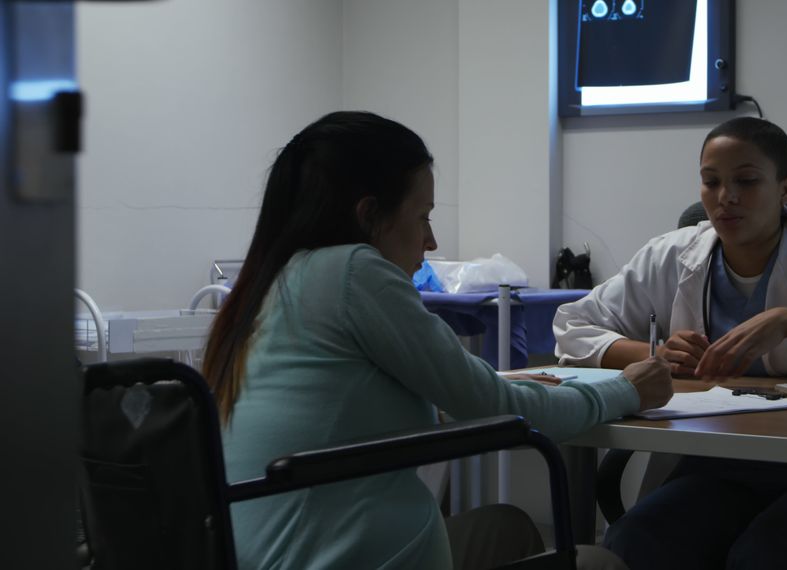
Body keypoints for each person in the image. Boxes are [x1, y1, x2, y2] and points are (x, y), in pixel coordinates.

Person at [202, 111, 673, 570]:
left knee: (504, 527)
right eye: (423, 216)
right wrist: (627, 389)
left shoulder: (267, 285)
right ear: (369, 216)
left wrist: (502, 392)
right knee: (598, 561)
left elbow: (341, 404)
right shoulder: (353, 272)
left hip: (264, 552)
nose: (431, 240)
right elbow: (508, 410)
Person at [553, 117, 787, 569]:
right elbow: (572, 325)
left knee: (775, 552)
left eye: (746, 181)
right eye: (711, 182)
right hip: (712, 467)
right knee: (635, 541)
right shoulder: (673, 254)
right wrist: (655, 355)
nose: (725, 198)